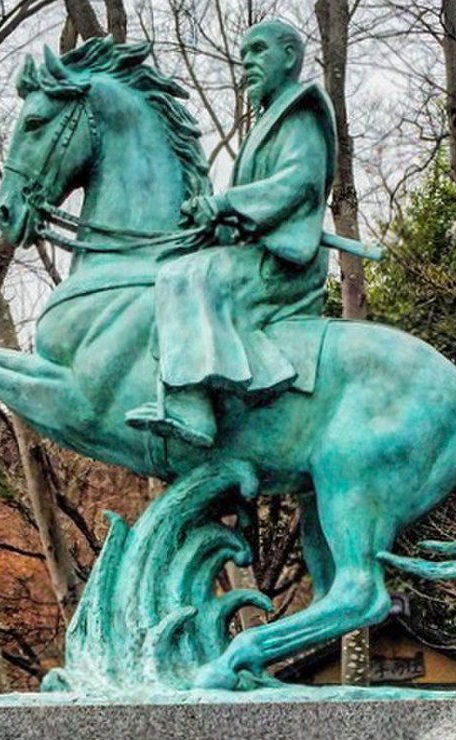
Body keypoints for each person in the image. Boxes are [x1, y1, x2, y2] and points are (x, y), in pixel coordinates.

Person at [127, 19, 337, 448]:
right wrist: (218, 222)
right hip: (262, 253)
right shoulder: (271, 121)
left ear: (290, 57)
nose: (247, 65)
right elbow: (258, 208)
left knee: (185, 276)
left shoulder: (301, 117)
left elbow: (296, 184)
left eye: (258, 52)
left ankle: (193, 405)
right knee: (180, 263)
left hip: (286, 263)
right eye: (243, 58)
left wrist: (224, 204)